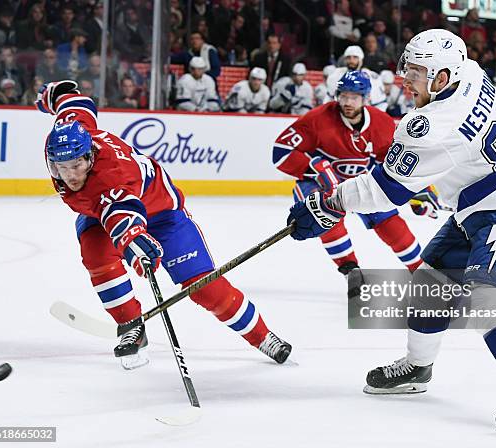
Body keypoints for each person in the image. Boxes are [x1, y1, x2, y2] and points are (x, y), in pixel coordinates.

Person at [287, 29, 496, 437]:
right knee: (431, 281)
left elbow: (384, 190)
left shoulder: (431, 125)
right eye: (408, 67)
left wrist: (329, 204)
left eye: (417, 72)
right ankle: (417, 368)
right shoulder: (469, 71)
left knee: (485, 298)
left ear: (441, 78)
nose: (406, 78)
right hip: (482, 200)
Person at [34, 80, 292, 370]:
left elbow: (123, 218)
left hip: (163, 217)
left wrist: (135, 247)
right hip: (102, 214)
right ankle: (131, 325)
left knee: (203, 287)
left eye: (76, 166)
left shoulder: (113, 176)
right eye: (60, 167)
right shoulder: (66, 140)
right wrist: (56, 95)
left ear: (90, 155)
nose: (69, 175)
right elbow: (78, 107)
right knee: (96, 253)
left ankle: (262, 336)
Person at [273, 71, 432, 296]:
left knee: (390, 222)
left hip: (361, 182)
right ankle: (352, 273)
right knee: (324, 216)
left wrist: (418, 190)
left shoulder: (382, 123)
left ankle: (421, 272)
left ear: (366, 98)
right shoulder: (317, 119)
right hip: (321, 185)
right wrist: (315, 168)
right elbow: (280, 152)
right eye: (343, 96)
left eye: (354, 97)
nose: (348, 102)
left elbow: (396, 162)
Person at [325, 45, 387, 111]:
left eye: (355, 57)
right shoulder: (336, 75)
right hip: (340, 113)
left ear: (361, 59)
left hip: (365, 114)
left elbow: (381, 104)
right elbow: (328, 100)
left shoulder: (372, 77)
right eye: (348, 57)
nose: (351, 60)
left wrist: (373, 118)